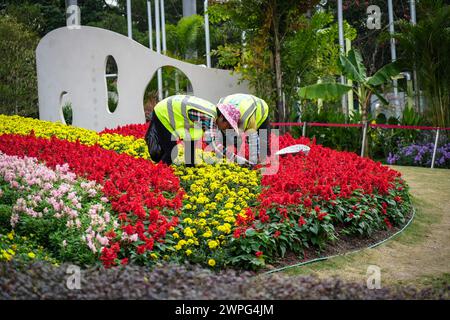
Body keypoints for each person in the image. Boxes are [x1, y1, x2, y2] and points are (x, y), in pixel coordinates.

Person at [145, 95, 240, 166]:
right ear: (222, 117)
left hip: (173, 112)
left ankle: (188, 170)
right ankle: (156, 175)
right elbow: (213, 145)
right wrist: (236, 159)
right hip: (163, 112)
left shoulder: (212, 113)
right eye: (229, 125)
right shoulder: (208, 117)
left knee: (190, 159)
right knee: (171, 152)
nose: (227, 129)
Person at [217, 93, 270, 164]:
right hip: (239, 102)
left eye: (229, 126)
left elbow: (253, 139)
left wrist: (253, 162)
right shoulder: (218, 110)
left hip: (260, 108)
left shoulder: (247, 118)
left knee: (263, 142)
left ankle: (266, 160)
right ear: (220, 117)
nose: (227, 129)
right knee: (227, 139)